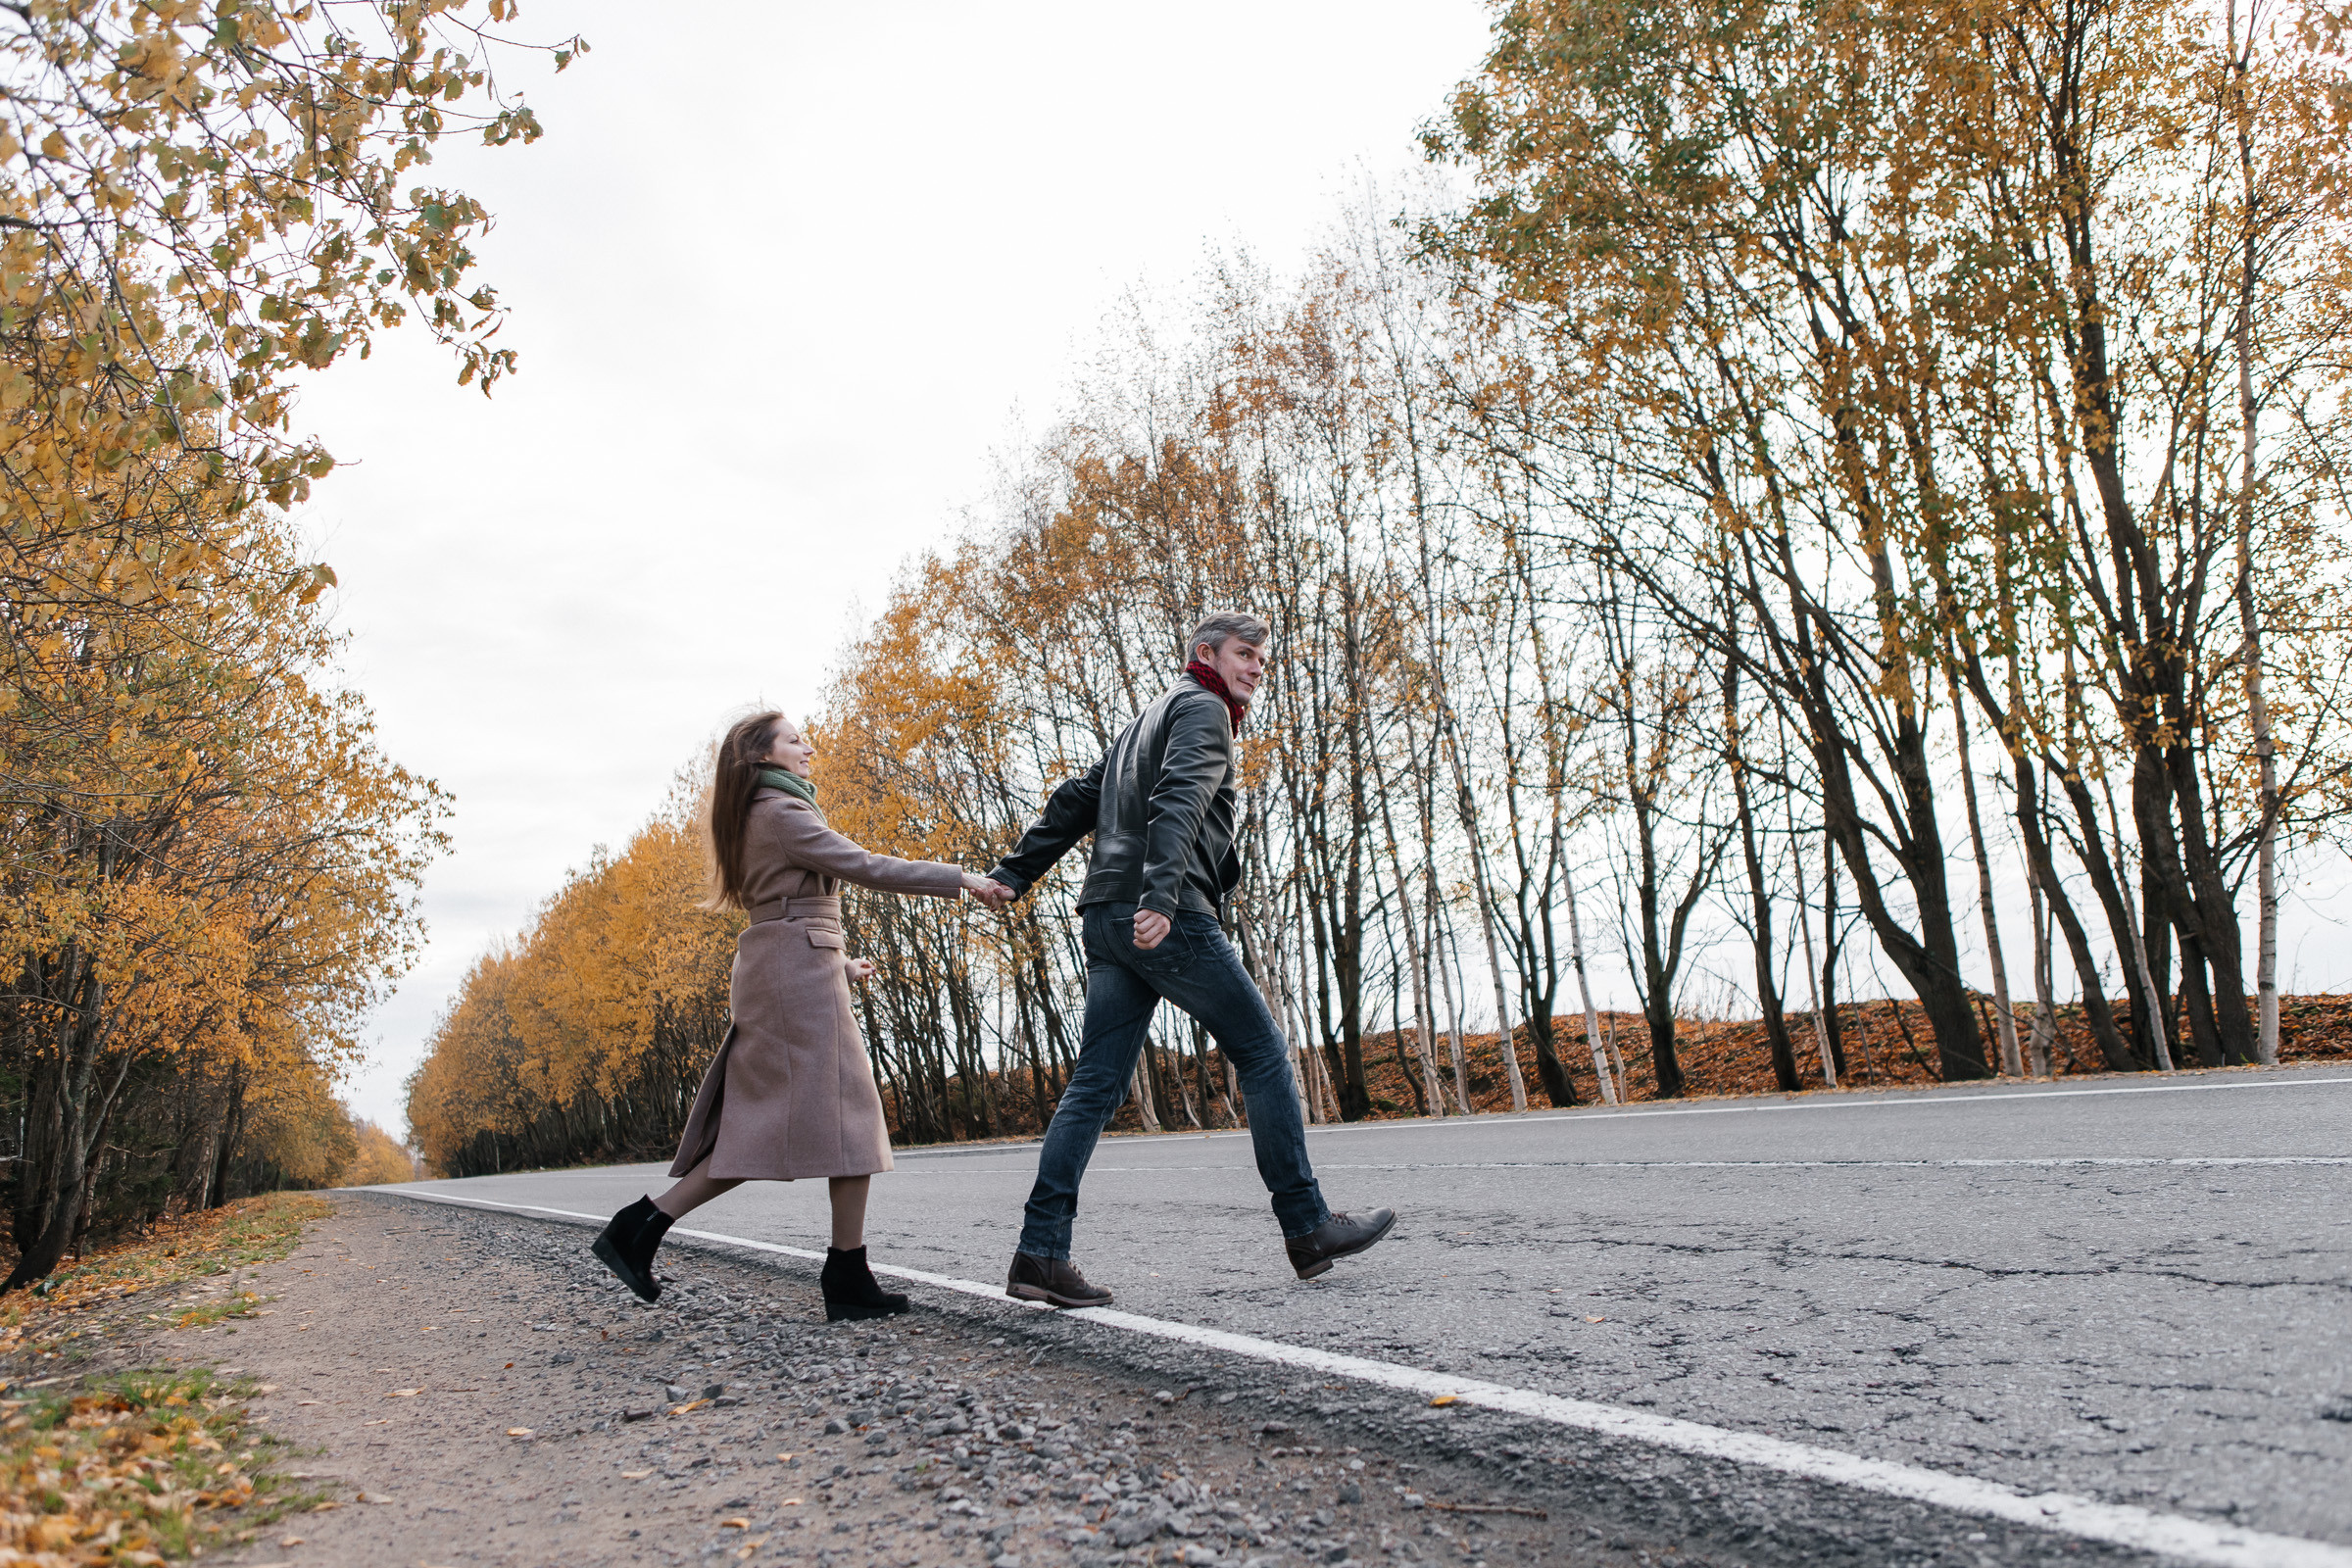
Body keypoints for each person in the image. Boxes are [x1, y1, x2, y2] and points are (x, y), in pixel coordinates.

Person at [984, 612, 1395, 1307]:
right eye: (1245, 653)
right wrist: (1163, 896)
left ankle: (1039, 1255)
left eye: (1263, 657)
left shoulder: (1153, 712)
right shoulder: (1202, 709)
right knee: (1263, 1054)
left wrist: (1016, 872)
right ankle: (1308, 1226)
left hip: (1106, 916)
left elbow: (1080, 796)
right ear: (1206, 653)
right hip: (1159, 913)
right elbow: (1178, 799)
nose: (1258, 666)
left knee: (1093, 1088)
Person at [591, 710, 1011, 1318]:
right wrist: (962, 878)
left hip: (790, 967)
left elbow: (783, 910)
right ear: (762, 757)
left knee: (766, 1129)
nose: (807, 746)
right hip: (794, 971)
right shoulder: (781, 811)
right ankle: (844, 1275)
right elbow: (863, 865)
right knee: (851, 1118)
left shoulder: (759, 811)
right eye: (794, 740)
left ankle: (645, 1227)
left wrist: (836, 963)